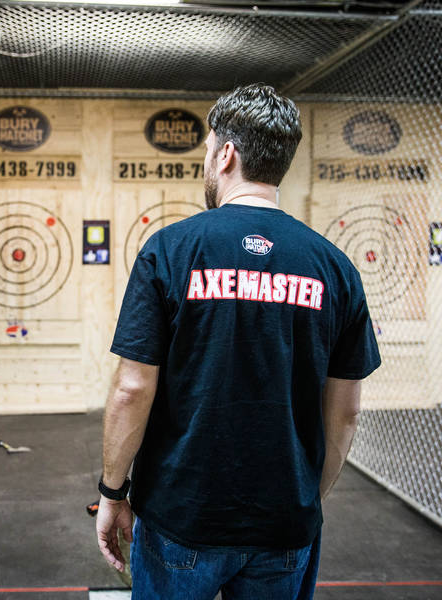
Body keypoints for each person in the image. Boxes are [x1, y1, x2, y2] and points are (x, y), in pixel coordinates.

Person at [96, 83, 381, 599]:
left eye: (208, 150)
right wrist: (304, 502)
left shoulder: (170, 250)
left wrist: (113, 491)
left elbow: (132, 390)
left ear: (226, 154)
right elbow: (345, 413)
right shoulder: (336, 268)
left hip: (183, 516)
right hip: (285, 523)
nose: (207, 160)